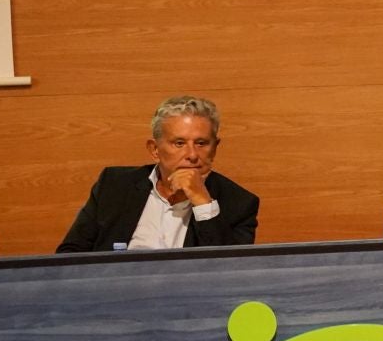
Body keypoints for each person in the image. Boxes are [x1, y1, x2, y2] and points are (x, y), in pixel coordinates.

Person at [57, 95, 260, 251]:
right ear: (154, 150)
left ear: (215, 148)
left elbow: (232, 273)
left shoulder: (239, 203)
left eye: (201, 143)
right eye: (179, 143)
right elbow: (70, 255)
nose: (192, 154)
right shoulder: (115, 186)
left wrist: (202, 202)